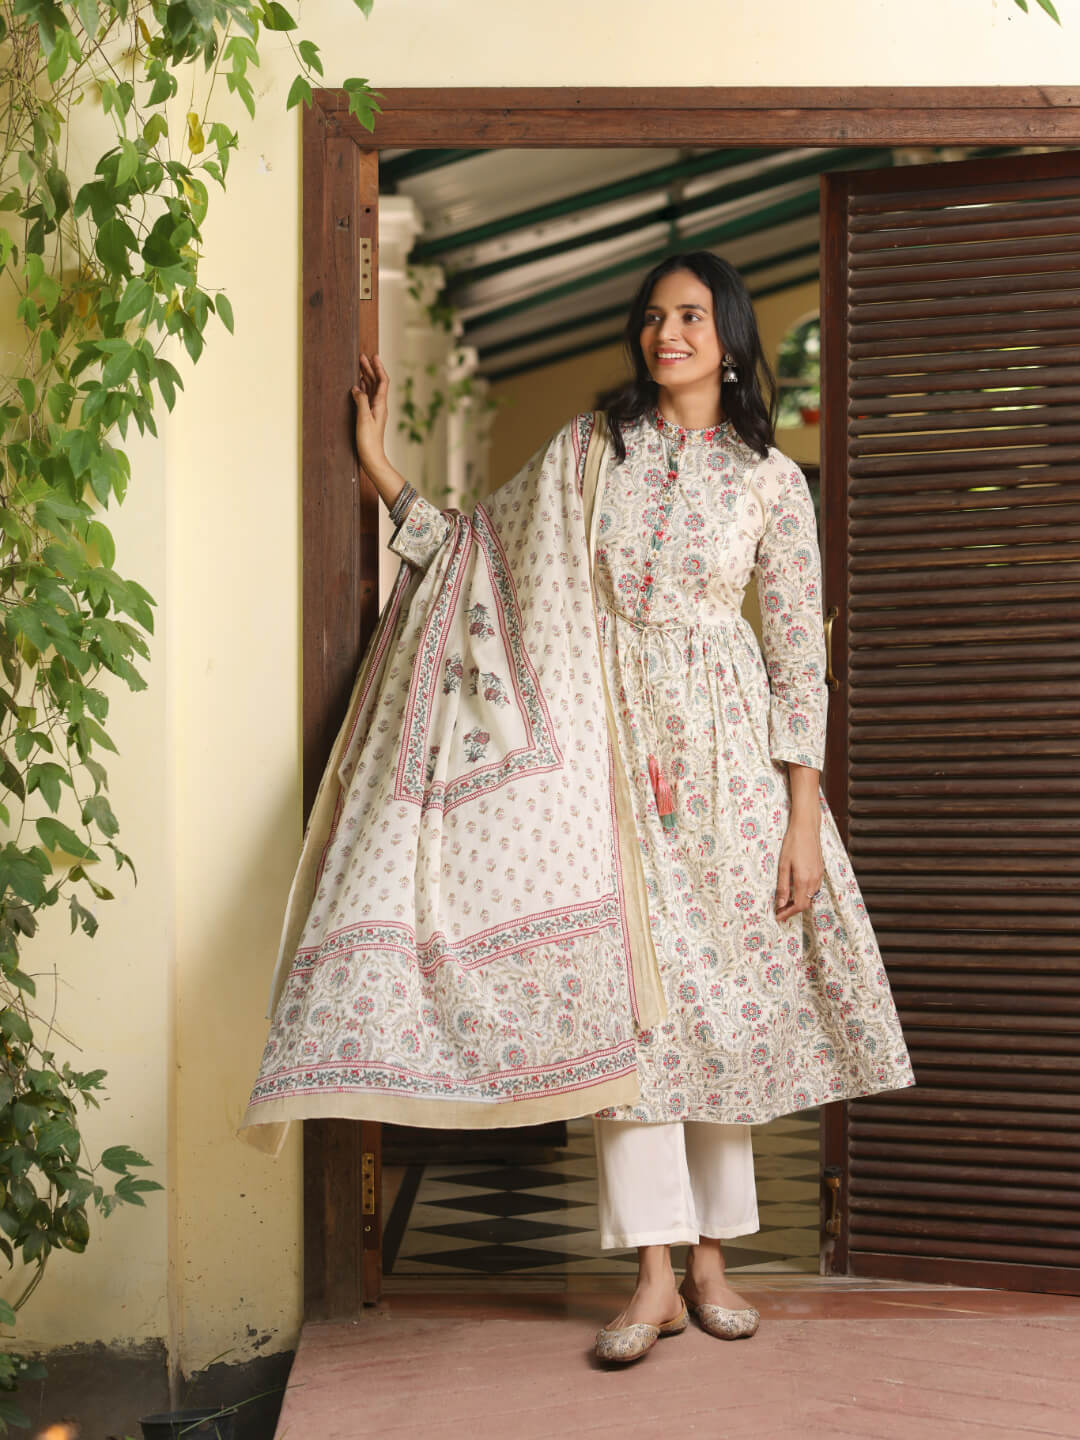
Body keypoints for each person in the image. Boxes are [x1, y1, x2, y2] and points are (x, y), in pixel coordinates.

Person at [240, 251, 915, 1364]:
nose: (667, 333)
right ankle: (652, 1277)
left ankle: (713, 1264)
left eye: (691, 316)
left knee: (718, 1008)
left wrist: (803, 812)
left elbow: (801, 658)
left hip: (730, 764)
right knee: (631, 1009)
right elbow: (479, 560)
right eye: (653, 316)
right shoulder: (590, 452)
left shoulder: (769, 481)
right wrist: (379, 465)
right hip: (604, 751)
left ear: (730, 339)